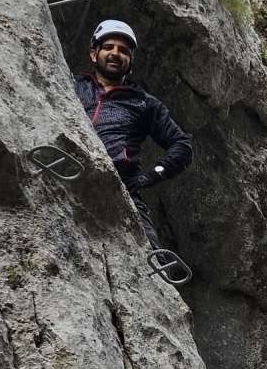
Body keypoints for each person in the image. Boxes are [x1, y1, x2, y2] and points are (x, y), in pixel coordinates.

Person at [73, 19, 193, 249]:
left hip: (120, 186)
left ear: (130, 61)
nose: (115, 54)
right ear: (93, 54)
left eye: (124, 51)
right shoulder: (70, 84)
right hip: (69, 164)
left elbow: (182, 144)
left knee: (152, 256)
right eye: (108, 47)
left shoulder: (144, 103)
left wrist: (150, 176)